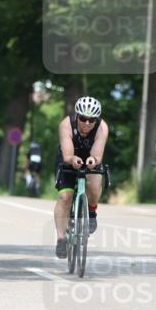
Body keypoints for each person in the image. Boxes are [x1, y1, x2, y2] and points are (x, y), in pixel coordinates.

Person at [53, 96, 108, 258]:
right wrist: (72, 159)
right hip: (68, 156)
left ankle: (91, 212)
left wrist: (93, 160)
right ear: (77, 116)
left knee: (95, 182)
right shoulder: (66, 124)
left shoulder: (102, 127)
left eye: (91, 120)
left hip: (90, 157)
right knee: (65, 196)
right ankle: (61, 239)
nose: (87, 123)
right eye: (83, 118)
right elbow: (68, 154)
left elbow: (97, 154)